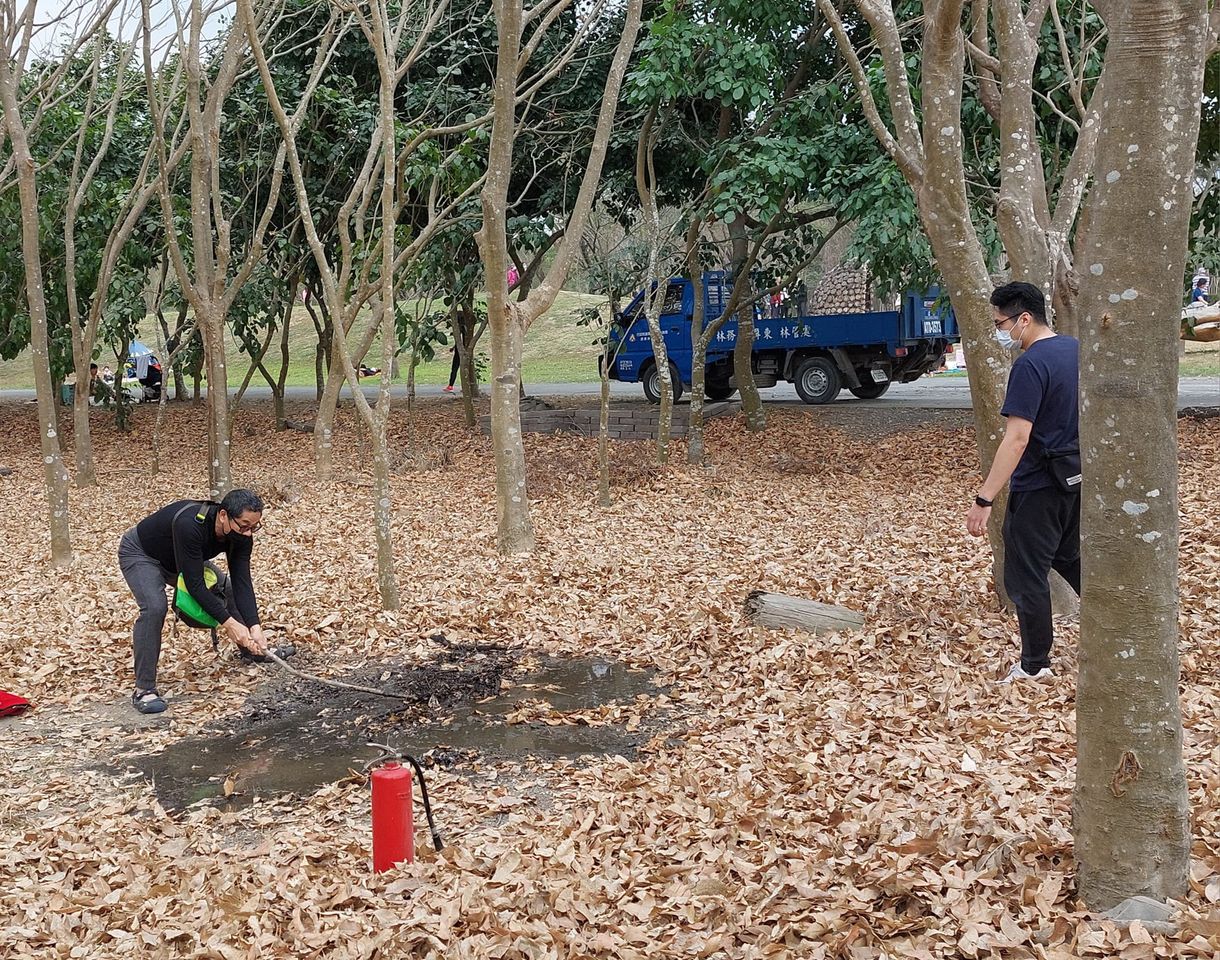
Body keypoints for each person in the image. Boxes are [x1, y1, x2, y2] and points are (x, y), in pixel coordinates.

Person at [966, 281, 1081, 684]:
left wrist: (984, 499)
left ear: (1024, 319)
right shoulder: (1076, 350)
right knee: (1072, 559)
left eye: (1001, 324)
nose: (1000, 331)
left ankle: (1034, 665)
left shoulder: (1030, 365)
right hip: (1076, 479)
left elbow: (1017, 439)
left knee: (1027, 575)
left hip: (1039, 485)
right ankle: (1125, 628)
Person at [119, 489, 276, 714]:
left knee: (228, 588)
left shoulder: (241, 535)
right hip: (142, 554)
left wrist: (255, 626)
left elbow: (242, 581)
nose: (248, 533)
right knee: (154, 607)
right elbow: (195, 586)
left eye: (254, 527)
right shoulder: (190, 524)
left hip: (183, 558)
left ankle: (252, 650)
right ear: (223, 515)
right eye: (244, 525)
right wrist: (230, 624)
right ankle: (144, 689)